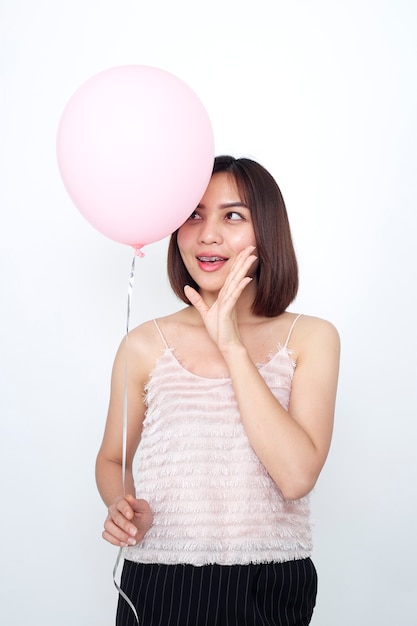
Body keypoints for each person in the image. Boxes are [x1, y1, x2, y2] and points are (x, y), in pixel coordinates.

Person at [95, 155, 340, 626]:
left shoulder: (311, 337)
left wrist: (230, 343)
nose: (208, 234)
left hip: (272, 585)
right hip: (160, 582)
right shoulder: (145, 344)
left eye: (233, 215)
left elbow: (296, 477)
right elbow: (113, 459)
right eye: (193, 214)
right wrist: (124, 506)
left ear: (266, 229)